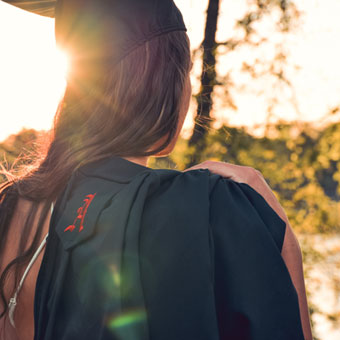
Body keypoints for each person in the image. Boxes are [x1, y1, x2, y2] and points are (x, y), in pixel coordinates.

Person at [0, 0, 312, 339]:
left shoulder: (13, 205)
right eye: (187, 72)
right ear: (162, 80)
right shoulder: (207, 209)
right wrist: (281, 238)